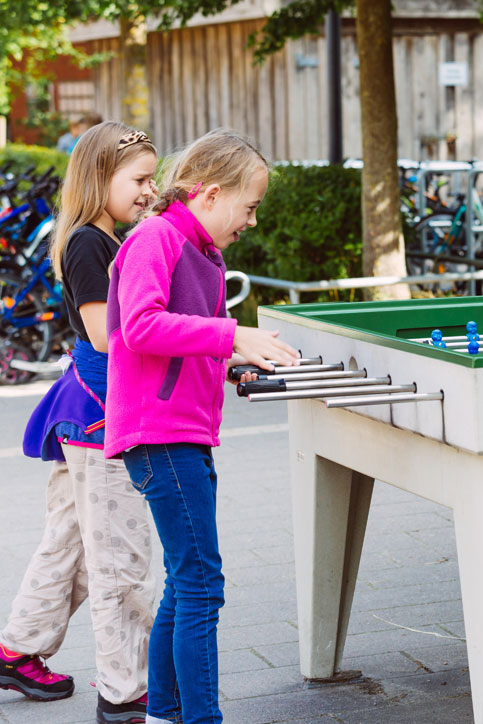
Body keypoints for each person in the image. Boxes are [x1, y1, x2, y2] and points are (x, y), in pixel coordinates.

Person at [104, 128, 300, 724]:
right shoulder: (154, 239)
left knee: (186, 580)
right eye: (250, 207)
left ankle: (164, 713)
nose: (253, 222)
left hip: (182, 433)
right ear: (211, 194)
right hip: (159, 435)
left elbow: (198, 343)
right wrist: (230, 335)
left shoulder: (206, 254)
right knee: (202, 585)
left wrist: (239, 360)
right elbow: (141, 326)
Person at [2, 121, 158, 723]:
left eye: (152, 179)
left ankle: (18, 648)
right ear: (100, 178)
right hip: (101, 416)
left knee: (67, 546)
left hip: (82, 412)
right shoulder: (92, 244)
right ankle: (126, 692)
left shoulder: (99, 238)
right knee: (120, 559)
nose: (149, 190)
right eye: (139, 179)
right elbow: (105, 335)